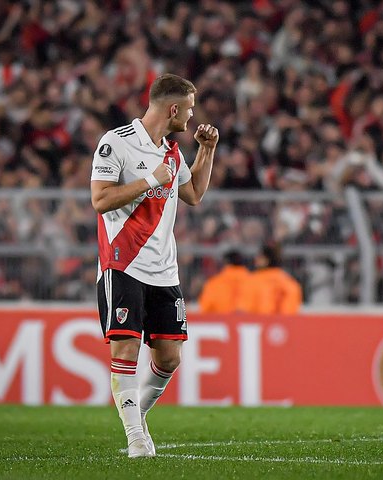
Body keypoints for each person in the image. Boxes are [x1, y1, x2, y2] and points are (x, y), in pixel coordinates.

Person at [90, 73, 219, 458]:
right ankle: (136, 440)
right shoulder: (116, 143)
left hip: (164, 271)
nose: (193, 117)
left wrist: (207, 151)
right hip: (123, 264)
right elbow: (99, 200)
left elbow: (193, 194)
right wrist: (149, 179)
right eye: (190, 110)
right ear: (174, 108)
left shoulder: (173, 151)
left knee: (169, 358)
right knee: (125, 350)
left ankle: (136, 419)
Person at [243, 243, 302, 315]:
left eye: (259, 256)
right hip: (281, 325)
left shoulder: (252, 281)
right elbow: (290, 312)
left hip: (254, 323)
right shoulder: (290, 283)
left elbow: (243, 309)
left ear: (267, 260)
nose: (256, 259)